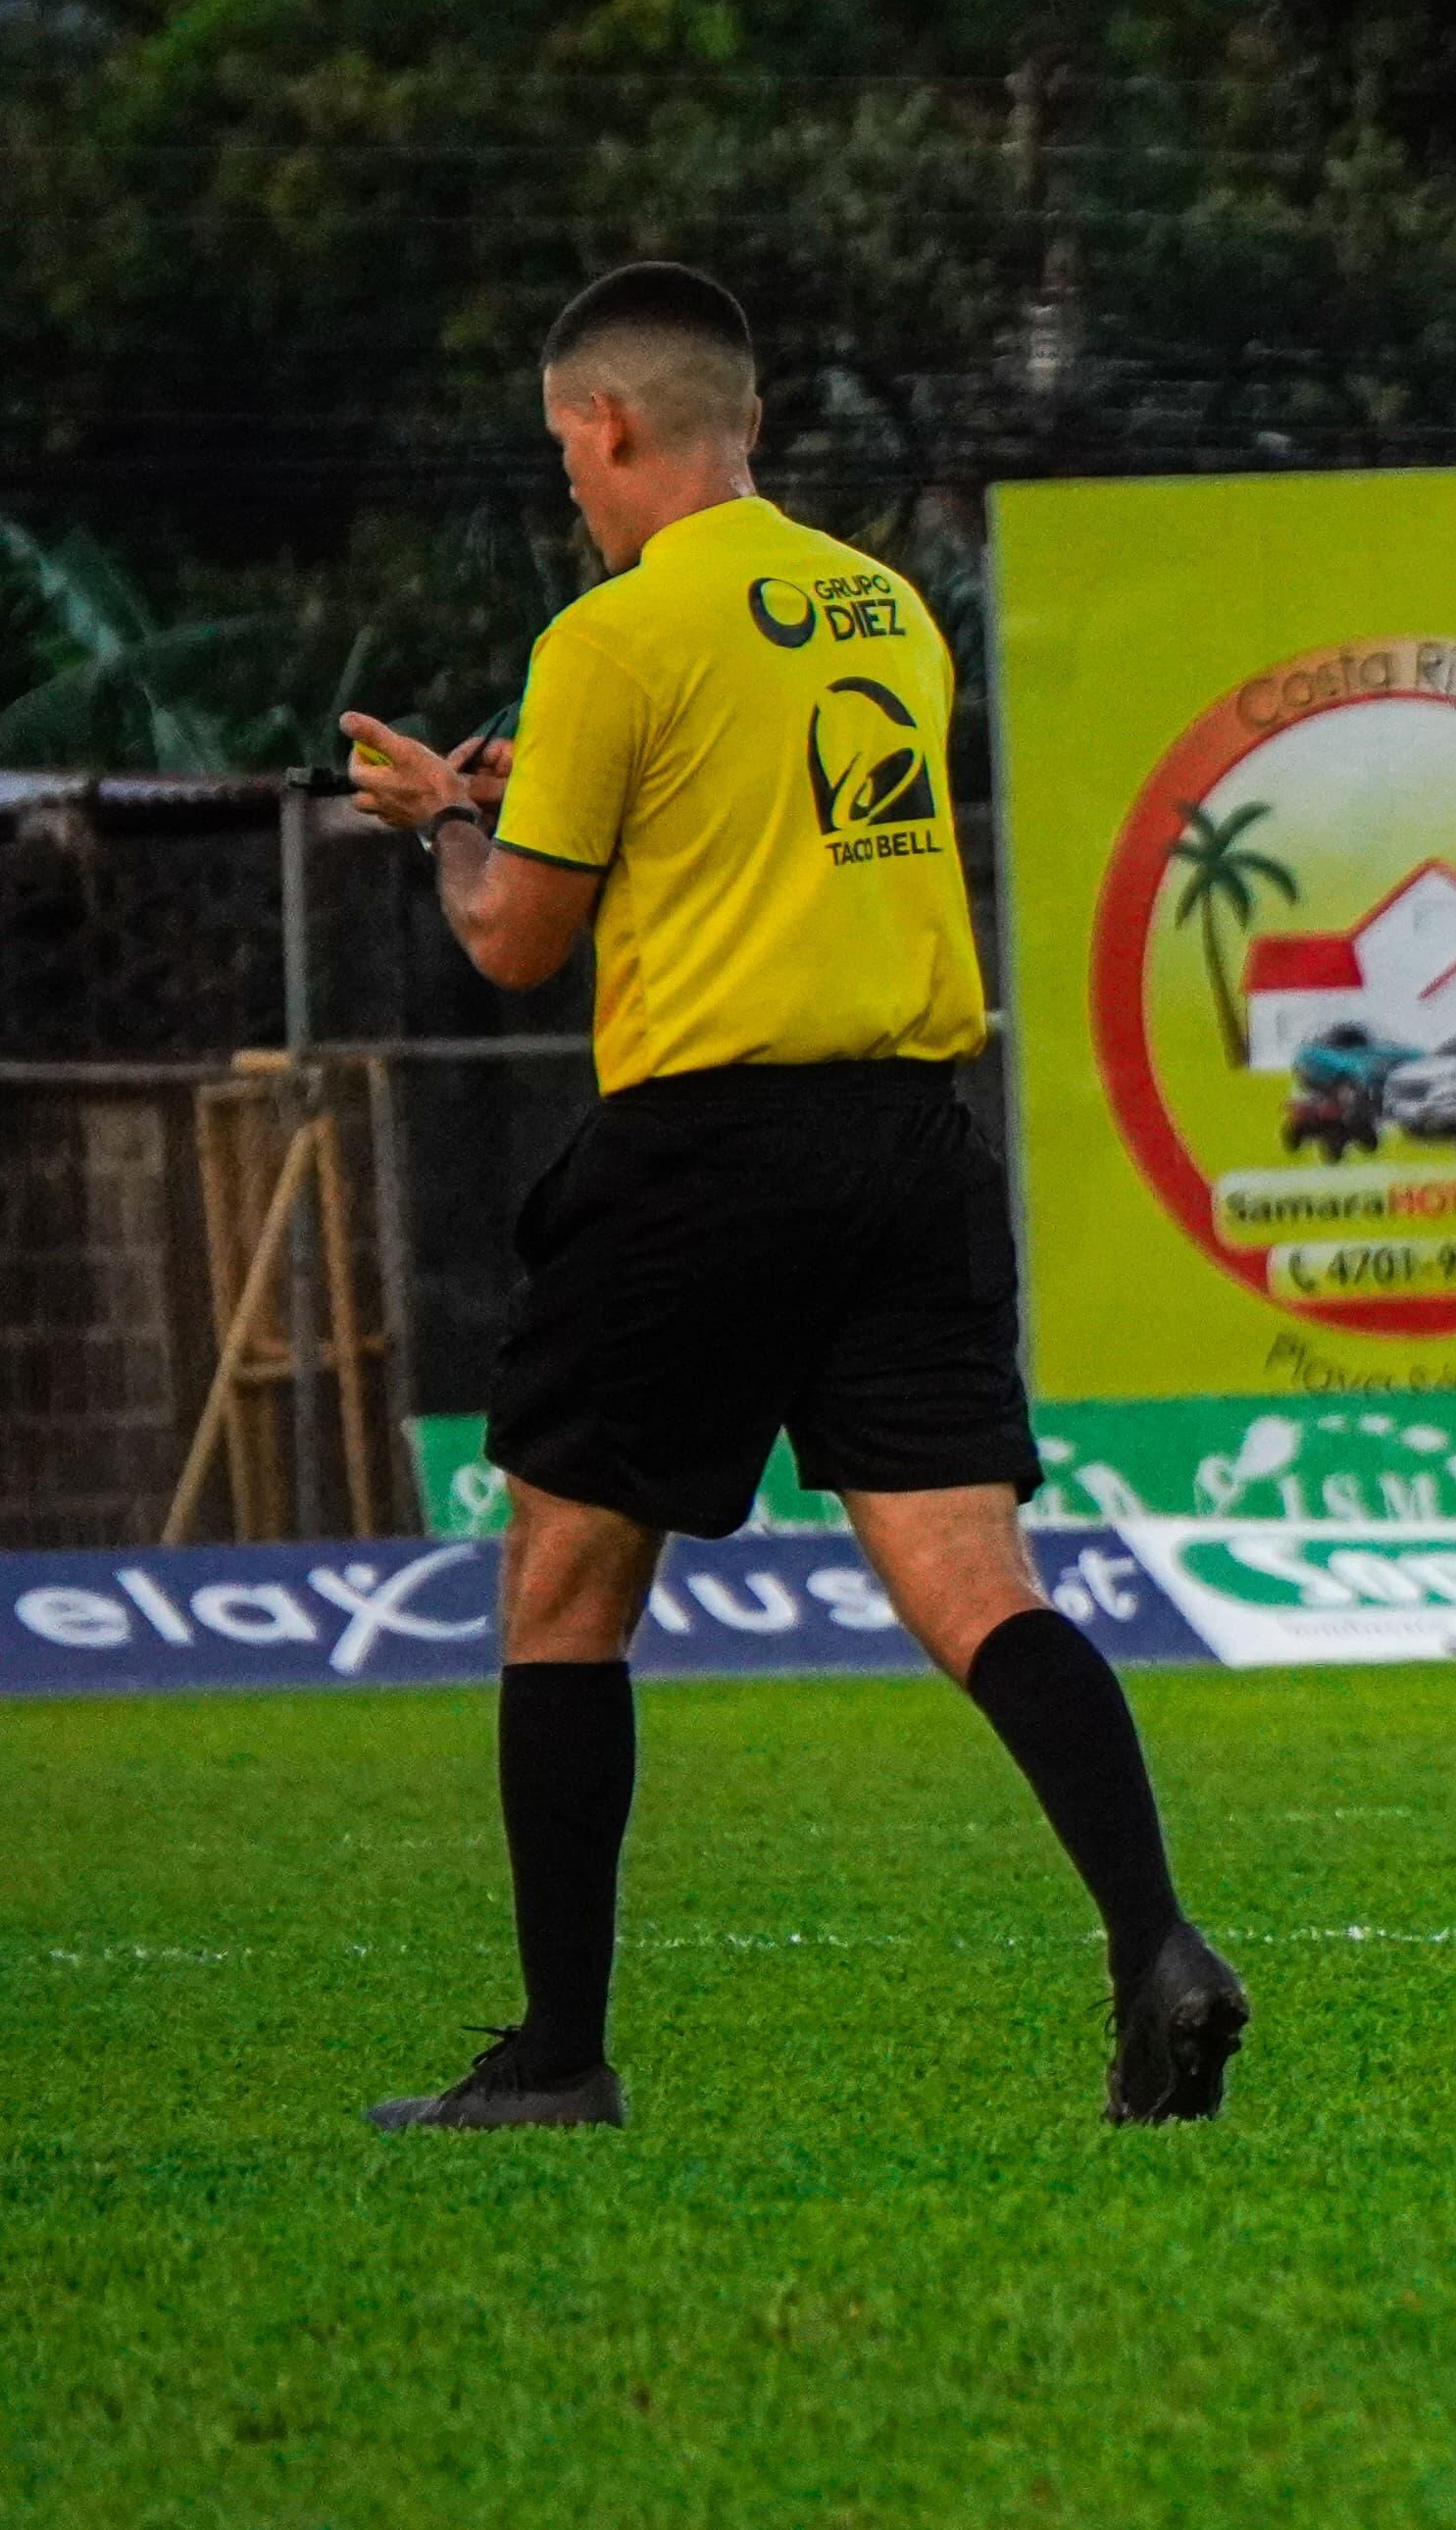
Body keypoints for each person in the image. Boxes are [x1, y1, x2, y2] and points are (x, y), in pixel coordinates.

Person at [342, 264, 1244, 2128]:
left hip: (707, 1151)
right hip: (913, 1138)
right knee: (975, 1578)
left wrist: (443, 812)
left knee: (567, 1582)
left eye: (563, 451)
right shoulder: (885, 602)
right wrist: (570, 801)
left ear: (609, 426)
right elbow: (760, 814)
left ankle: (559, 2052)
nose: (570, 487)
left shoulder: (611, 632)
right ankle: (1156, 1936)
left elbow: (516, 930)